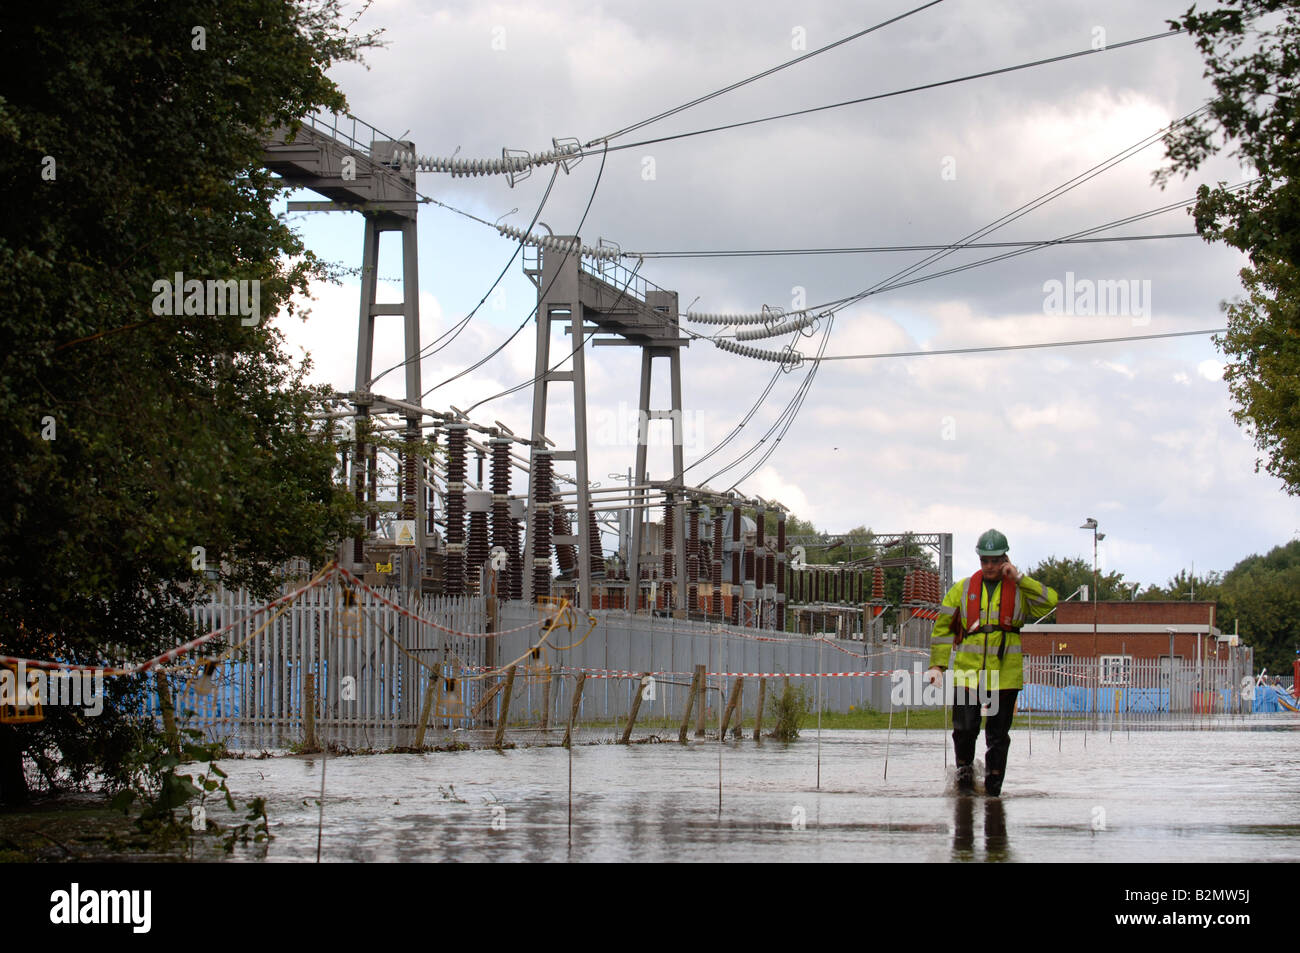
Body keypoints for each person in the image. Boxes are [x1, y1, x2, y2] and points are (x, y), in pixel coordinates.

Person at [926, 529, 1057, 796]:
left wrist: (1019, 578)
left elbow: (1050, 602)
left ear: (1005, 560)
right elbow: (942, 629)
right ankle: (964, 784)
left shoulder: (1020, 590)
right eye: (984, 560)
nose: (989, 566)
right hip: (968, 675)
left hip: (1004, 676)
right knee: (964, 730)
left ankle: (993, 790)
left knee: (997, 736)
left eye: (995, 560)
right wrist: (938, 665)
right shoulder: (961, 590)